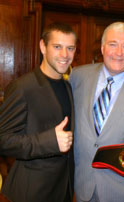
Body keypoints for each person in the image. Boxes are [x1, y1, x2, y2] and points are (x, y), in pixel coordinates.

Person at [70, 22, 124, 202]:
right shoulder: (77, 77)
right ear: (102, 48)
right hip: (82, 182)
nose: (119, 52)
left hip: (121, 188)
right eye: (113, 44)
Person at [0, 22, 77, 202]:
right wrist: (49, 141)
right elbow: (3, 139)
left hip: (64, 188)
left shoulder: (69, 86)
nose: (65, 55)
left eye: (70, 48)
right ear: (43, 46)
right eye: (57, 47)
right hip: (32, 191)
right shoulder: (22, 87)